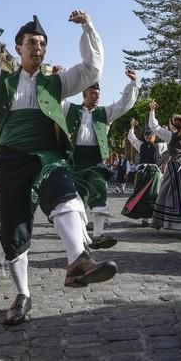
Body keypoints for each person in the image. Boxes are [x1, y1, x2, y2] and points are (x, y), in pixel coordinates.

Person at [0, 0, 116, 326]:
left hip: (46, 155)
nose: (38, 48)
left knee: (65, 195)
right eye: (32, 42)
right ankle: (22, 295)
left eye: (42, 44)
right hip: (11, 158)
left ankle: (78, 262)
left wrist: (87, 28)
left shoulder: (57, 82)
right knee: (13, 228)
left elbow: (91, 67)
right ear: (18, 47)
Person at [64, 70, 139, 250]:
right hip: (74, 160)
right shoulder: (69, 109)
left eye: (98, 94)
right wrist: (58, 77)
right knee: (76, 200)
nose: (96, 97)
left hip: (96, 161)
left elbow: (124, 104)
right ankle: (80, 238)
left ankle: (98, 235)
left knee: (100, 192)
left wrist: (132, 84)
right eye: (92, 93)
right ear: (84, 94)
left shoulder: (105, 113)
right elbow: (54, 100)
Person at [147, 102, 181, 231]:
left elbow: (154, 126)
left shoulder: (169, 135)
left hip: (174, 165)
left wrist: (152, 110)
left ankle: (163, 220)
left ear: (173, 124)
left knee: (167, 191)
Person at [122, 118, 166, 227]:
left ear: (155, 136)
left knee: (154, 195)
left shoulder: (159, 146)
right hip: (143, 173)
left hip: (154, 174)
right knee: (141, 195)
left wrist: (166, 131)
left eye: (150, 135)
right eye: (147, 135)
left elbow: (170, 141)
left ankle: (153, 218)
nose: (148, 137)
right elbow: (131, 138)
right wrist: (132, 127)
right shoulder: (141, 145)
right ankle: (145, 219)